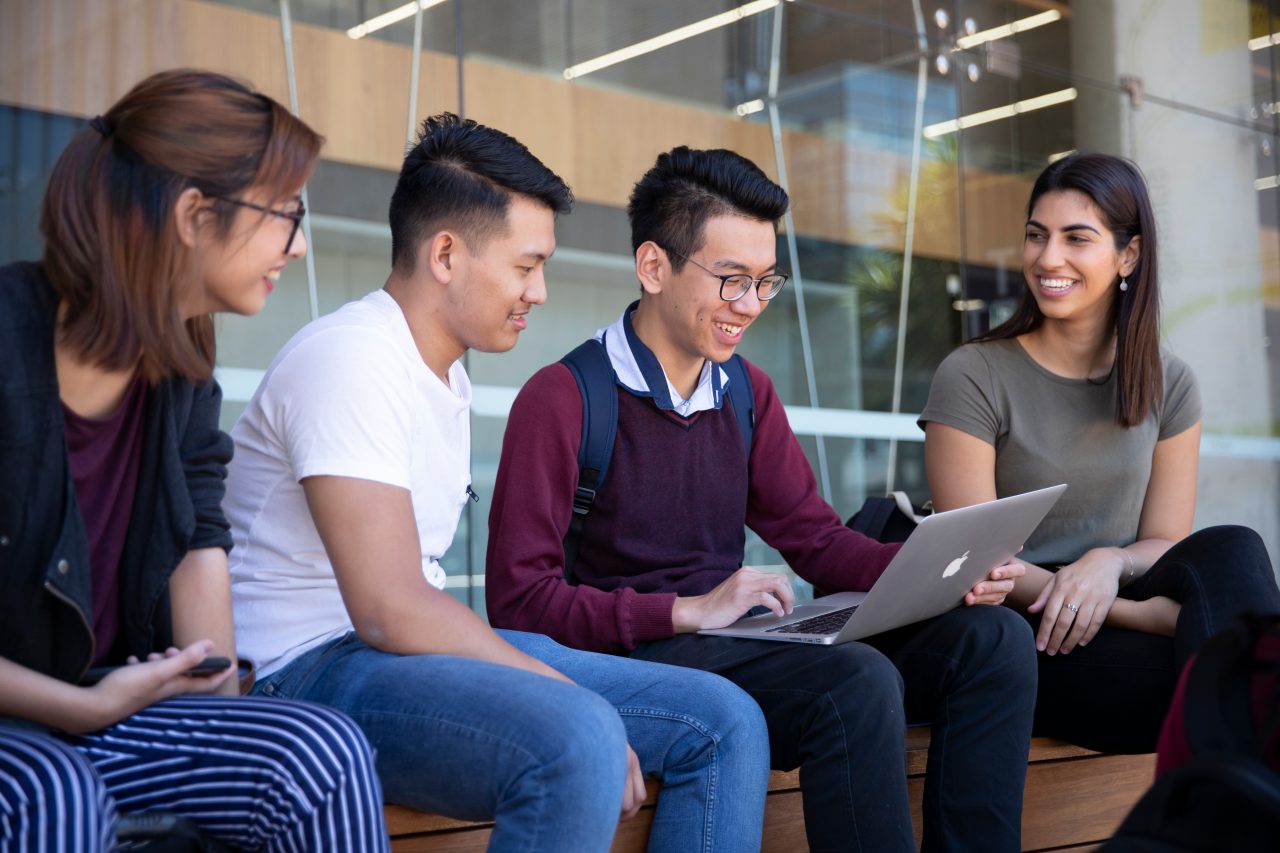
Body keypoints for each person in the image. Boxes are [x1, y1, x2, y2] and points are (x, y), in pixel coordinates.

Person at [224, 113, 770, 853]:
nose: (539, 291)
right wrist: (568, 692)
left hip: (384, 658)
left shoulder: (440, 374)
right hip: (300, 673)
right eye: (525, 265)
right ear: (446, 253)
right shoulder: (352, 357)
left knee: (726, 719)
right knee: (578, 735)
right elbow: (388, 608)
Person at [486, 144, 1039, 853]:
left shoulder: (746, 393)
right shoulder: (563, 400)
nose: (749, 306)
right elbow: (517, 602)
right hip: (633, 663)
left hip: (731, 645)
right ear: (654, 266)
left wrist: (938, 573)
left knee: (994, 640)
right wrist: (685, 609)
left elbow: (816, 539)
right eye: (731, 280)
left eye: (764, 281)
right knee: (856, 682)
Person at [0, 69, 388, 852]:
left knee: (319, 751)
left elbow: (200, 537)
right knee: (54, 794)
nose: (299, 241)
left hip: (108, 708)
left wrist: (219, 697)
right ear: (193, 215)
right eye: (285, 212)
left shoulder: (181, 368)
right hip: (30, 725)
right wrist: (81, 707)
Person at [919, 151, 1280, 753]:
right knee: (1225, 686)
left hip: (1118, 602)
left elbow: (1165, 543)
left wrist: (1109, 565)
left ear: (1128, 256)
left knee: (1233, 547)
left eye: (1076, 238)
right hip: (1019, 636)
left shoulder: (1170, 382)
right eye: (1037, 236)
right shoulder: (974, 374)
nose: (1047, 258)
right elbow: (975, 565)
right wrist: (1146, 615)